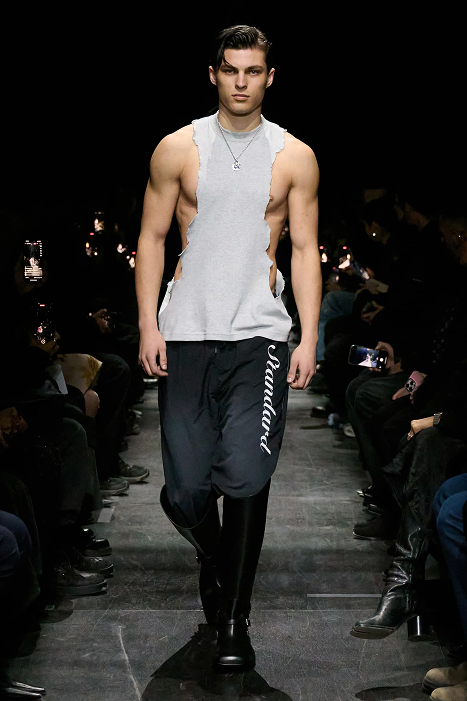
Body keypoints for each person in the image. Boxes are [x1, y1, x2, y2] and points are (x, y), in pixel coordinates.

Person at [136, 25, 320, 672]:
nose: (241, 82)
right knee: (185, 493)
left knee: (246, 473)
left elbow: (304, 248)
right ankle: (218, 561)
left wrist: (308, 335)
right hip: (186, 332)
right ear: (213, 73)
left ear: (269, 77)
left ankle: (234, 620)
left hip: (259, 336)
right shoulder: (176, 149)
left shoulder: (295, 156)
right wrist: (148, 325)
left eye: (253, 71)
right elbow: (152, 238)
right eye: (231, 70)